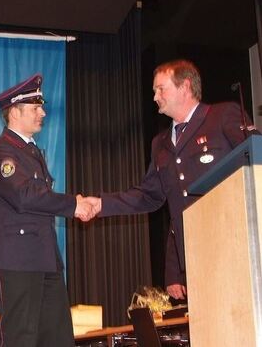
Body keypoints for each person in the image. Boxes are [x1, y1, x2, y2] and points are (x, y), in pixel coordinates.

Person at [86, 59, 257, 300]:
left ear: (185, 87)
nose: (155, 97)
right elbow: (151, 196)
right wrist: (103, 204)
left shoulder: (222, 115)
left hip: (235, 243)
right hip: (195, 256)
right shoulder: (160, 143)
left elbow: (256, 163)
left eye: (160, 89)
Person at [0, 73, 95, 347]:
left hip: (45, 260)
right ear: (14, 113)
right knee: (19, 339)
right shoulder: (1, 151)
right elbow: (24, 196)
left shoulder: (31, 151)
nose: (42, 113)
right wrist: (73, 205)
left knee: (58, 339)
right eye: (35, 108)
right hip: (17, 263)